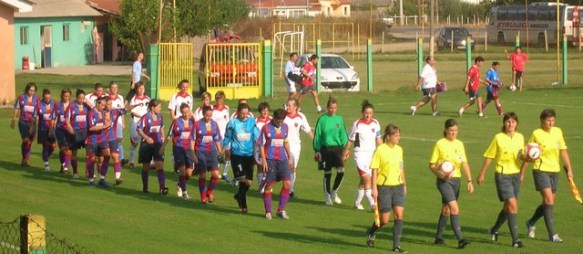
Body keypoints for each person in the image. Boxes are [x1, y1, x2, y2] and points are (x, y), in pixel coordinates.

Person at [521, 108, 574, 243]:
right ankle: (552, 235)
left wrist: (569, 169)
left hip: (555, 171)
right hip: (541, 170)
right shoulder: (536, 134)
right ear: (542, 121)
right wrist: (522, 173)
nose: (551, 123)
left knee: (547, 203)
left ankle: (531, 222)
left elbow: (563, 151)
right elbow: (529, 154)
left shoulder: (558, 131)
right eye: (548, 120)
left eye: (552, 120)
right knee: (549, 201)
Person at [477, 112, 524, 248]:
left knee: (508, 207)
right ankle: (515, 240)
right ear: (504, 123)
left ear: (517, 124)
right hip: (502, 175)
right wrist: (482, 174)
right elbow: (489, 157)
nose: (510, 124)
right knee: (513, 205)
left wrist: (528, 158)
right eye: (508, 122)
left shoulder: (520, 137)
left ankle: (494, 229)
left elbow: (521, 155)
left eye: (513, 122)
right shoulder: (498, 138)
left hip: (515, 175)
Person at [429, 119, 473, 249]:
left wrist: (469, 180)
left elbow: (464, 163)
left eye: (456, 130)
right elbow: (431, 165)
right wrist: (438, 173)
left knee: (446, 209)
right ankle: (460, 239)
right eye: (451, 131)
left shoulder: (460, 144)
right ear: (445, 131)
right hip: (444, 181)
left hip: (456, 181)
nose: (454, 133)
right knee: (454, 208)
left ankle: (438, 237)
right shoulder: (440, 144)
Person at [365, 124, 407, 253]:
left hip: (398, 186)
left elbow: (401, 168)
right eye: (396, 135)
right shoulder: (380, 150)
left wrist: (404, 184)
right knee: (384, 220)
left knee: (399, 215)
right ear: (388, 136)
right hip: (384, 187)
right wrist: (374, 188)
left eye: (399, 135)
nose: (398, 137)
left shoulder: (399, 149)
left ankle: (396, 246)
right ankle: (371, 232)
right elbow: (374, 170)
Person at [343, 100, 382, 210]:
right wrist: (346, 151)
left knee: (364, 181)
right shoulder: (357, 124)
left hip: (372, 155)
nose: (368, 115)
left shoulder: (376, 123)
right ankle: (372, 204)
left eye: (370, 113)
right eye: (366, 113)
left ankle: (357, 202)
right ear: (362, 112)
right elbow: (350, 140)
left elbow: (378, 139)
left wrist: (385, 150)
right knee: (367, 178)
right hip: (359, 155)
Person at [258, 109, 293, 219]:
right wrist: (263, 160)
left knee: (287, 183)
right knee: (269, 186)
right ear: (273, 118)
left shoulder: (285, 127)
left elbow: (285, 142)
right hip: (270, 160)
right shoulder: (266, 128)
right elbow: (261, 145)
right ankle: (268, 211)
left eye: (281, 121)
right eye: (278, 121)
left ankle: (281, 210)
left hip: (282, 159)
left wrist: (289, 156)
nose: (280, 123)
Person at [224, 103, 259, 213]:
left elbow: (257, 136)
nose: (244, 115)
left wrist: (261, 147)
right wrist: (224, 149)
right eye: (242, 113)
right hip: (236, 155)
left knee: (249, 183)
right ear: (238, 112)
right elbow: (227, 138)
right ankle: (244, 206)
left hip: (249, 155)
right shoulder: (232, 123)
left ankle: (239, 195)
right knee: (242, 180)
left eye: (246, 113)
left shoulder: (252, 122)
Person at [313, 96, 348, 205]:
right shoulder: (322, 119)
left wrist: (346, 149)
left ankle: (334, 192)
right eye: (331, 108)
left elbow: (343, 135)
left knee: (341, 171)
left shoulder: (339, 119)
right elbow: (317, 135)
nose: (333, 110)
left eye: (335, 108)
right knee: (327, 172)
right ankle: (327, 196)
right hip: (326, 149)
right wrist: (317, 150)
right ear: (327, 108)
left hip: (338, 149)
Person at [282, 98, 314, 198]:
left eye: (289, 105)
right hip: (283, 145)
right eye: (287, 105)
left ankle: (290, 189)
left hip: (295, 146)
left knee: (292, 168)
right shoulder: (283, 116)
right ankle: (286, 187)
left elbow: (308, 130)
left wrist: (315, 143)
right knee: (284, 167)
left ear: (295, 107)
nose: (287, 107)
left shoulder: (301, 117)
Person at [165, 103, 197, 200]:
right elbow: (169, 135)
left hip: (188, 149)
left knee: (189, 173)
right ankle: (184, 193)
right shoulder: (176, 122)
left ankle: (180, 184)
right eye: (183, 113)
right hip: (178, 149)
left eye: (187, 112)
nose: (185, 115)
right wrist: (163, 147)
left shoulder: (192, 122)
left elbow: (194, 136)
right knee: (182, 171)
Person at [137, 99, 168, 195]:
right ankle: (145, 187)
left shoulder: (160, 117)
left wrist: (163, 137)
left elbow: (161, 127)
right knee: (146, 167)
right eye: (158, 107)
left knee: (159, 165)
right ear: (152, 108)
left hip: (158, 144)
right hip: (147, 145)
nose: (160, 109)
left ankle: (162, 189)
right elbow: (139, 129)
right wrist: (146, 138)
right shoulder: (145, 118)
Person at [193, 106, 223, 204]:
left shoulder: (214, 124)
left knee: (215, 175)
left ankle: (209, 191)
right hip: (200, 151)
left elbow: (217, 138)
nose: (209, 117)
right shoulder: (197, 124)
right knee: (203, 174)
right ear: (203, 114)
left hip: (212, 151)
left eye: (210, 115)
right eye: (207, 115)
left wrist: (219, 149)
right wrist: (193, 153)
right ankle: (203, 197)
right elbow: (192, 139)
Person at [86, 97, 112, 187]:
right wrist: (105, 126)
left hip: (102, 139)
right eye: (102, 105)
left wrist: (108, 124)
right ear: (97, 103)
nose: (103, 107)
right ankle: (91, 180)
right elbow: (91, 128)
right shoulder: (91, 113)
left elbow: (104, 125)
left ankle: (102, 178)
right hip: (92, 140)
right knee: (92, 160)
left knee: (107, 156)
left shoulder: (103, 113)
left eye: (104, 105)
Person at [168, 79, 193, 173]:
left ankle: (187, 163)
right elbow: (171, 110)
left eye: (186, 87)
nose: (185, 88)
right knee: (176, 143)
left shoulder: (190, 97)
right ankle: (176, 164)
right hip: (178, 123)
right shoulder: (175, 96)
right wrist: (175, 122)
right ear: (180, 86)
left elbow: (190, 111)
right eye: (183, 86)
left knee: (186, 142)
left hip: (187, 122)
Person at [11, 82, 39, 167]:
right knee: (26, 140)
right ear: (27, 89)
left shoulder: (37, 99)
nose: (32, 92)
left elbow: (39, 109)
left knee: (30, 141)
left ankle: (25, 160)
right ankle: (24, 159)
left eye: (33, 90)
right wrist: (13, 119)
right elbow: (16, 108)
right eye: (30, 90)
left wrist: (37, 117)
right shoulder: (21, 97)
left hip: (32, 122)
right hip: (23, 122)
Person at [102, 97, 129, 185]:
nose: (110, 106)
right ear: (104, 104)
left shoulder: (115, 112)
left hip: (113, 138)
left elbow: (126, 109)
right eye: (108, 104)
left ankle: (117, 177)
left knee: (116, 157)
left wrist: (135, 105)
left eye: (111, 104)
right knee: (105, 157)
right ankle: (101, 178)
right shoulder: (100, 114)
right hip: (103, 139)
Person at [65, 89, 90, 178]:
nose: (82, 100)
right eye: (80, 98)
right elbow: (67, 119)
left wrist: (89, 103)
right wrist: (70, 128)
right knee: (74, 152)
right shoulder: (71, 106)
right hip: (75, 131)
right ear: (77, 98)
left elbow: (94, 110)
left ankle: (88, 172)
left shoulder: (87, 106)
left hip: (85, 132)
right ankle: (75, 172)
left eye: (83, 98)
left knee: (89, 152)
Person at [128, 82, 150, 168]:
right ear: (136, 89)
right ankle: (132, 161)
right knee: (134, 143)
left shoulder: (148, 99)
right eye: (139, 88)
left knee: (148, 142)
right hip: (136, 123)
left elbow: (150, 110)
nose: (141, 90)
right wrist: (141, 117)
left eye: (143, 88)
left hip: (146, 124)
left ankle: (150, 162)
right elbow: (132, 111)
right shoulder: (134, 99)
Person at [211, 91, 231, 182]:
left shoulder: (226, 108)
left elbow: (228, 121)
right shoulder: (212, 109)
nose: (219, 101)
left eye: (220, 99)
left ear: (223, 99)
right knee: (217, 154)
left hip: (226, 135)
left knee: (228, 154)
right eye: (217, 99)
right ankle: (216, 173)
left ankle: (225, 174)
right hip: (216, 136)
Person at [36, 89, 56, 172]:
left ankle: (45, 157)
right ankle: (46, 164)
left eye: (49, 98)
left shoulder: (53, 104)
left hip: (52, 128)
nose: (47, 99)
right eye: (46, 98)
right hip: (43, 128)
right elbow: (36, 116)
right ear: (43, 97)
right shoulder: (39, 104)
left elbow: (56, 116)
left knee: (53, 146)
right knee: (46, 145)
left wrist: (54, 124)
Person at [53, 88, 72, 174]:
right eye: (65, 96)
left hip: (69, 130)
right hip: (60, 129)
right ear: (62, 96)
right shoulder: (57, 105)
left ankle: (65, 168)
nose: (66, 98)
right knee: (62, 149)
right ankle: (63, 164)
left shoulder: (72, 106)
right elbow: (55, 118)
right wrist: (52, 130)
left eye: (68, 96)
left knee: (68, 149)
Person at [108, 82, 127, 165]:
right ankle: (107, 156)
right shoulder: (106, 98)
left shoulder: (120, 98)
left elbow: (122, 111)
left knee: (119, 139)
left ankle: (121, 158)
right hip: (109, 122)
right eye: (113, 87)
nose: (115, 89)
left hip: (118, 122)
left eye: (116, 87)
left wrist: (123, 122)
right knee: (108, 140)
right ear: (110, 89)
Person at [254, 102, 271, 188]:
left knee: (268, 166)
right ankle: (261, 185)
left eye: (267, 111)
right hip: (259, 146)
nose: (265, 113)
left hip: (269, 146)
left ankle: (266, 185)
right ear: (260, 111)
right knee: (260, 166)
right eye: (263, 111)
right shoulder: (256, 121)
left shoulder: (271, 120)